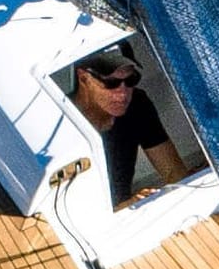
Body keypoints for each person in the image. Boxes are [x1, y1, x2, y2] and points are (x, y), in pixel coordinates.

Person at [70, 43, 189, 205]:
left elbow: (174, 172)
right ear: (84, 78)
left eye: (131, 80)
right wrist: (122, 209)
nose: (123, 93)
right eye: (111, 83)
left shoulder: (137, 105)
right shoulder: (62, 124)